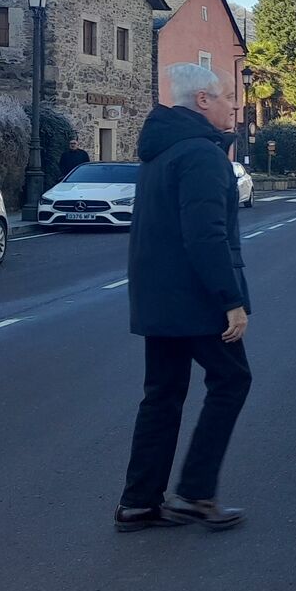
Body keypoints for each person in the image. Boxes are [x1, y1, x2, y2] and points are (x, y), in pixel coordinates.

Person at [116, 62, 253, 533]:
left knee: (162, 395)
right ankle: (195, 492)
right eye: (224, 97)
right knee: (233, 380)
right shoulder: (200, 154)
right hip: (196, 299)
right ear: (201, 101)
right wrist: (230, 300)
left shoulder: (157, 150)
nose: (232, 105)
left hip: (157, 296)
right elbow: (205, 235)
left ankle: (138, 502)